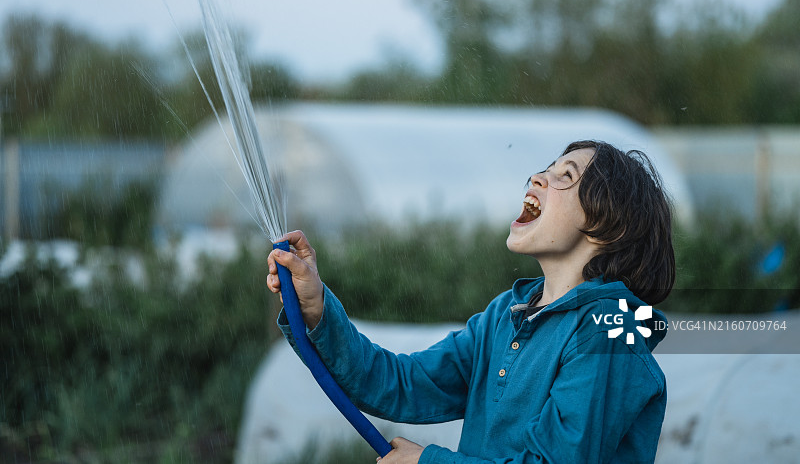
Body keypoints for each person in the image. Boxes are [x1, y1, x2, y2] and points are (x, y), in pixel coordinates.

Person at [267, 139, 675, 463]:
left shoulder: (610, 332)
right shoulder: (505, 317)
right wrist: (316, 307)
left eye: (564, 177)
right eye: (543, 170)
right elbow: (399, 385)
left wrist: (429, 463)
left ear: (605, 225)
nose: (536, 177)